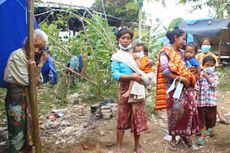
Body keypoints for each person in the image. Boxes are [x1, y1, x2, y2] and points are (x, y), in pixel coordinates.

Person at [4, 29, 48, 153]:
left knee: (29, 130)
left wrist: (38, 66)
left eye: (41, 48)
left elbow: (37, 82)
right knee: (17, 133)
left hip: (27, 98)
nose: (37, 51)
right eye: (35, 46)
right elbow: (30, 82)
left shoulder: (31, 59)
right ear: (28, 42)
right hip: (16, 99)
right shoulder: (18, 55)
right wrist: (39, 66)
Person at [155, 28, 200, 151]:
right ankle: (174, 138)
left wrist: (192, 76)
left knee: (188, 110)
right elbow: (165, 71)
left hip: (186, 88)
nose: (184, 42)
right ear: (175, 38)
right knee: (174, 113)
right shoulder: (165, 52)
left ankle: (186, 135)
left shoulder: (182, 53)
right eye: (183, 39)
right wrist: (182, 79)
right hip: (173, 88)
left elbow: (186, 68)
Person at [111, 28, 147, 153]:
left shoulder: (136, 54)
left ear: (131, 40)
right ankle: (119, 147)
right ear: (118, 40)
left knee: (138, 117)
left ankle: (137, 146)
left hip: (138, 88)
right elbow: (115, 74)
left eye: (128, 38)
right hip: (124, 88)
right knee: (122, 116)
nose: (126, 40)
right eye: (123, 38)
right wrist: (131, 76)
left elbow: (145, 67)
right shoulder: (116, 56)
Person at [195, 37, 229, 124]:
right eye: (204, 44)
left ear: (210, 46)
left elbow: (215, 69)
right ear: (201, 45)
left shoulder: (214, 56)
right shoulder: (197, 56)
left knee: (211, 100)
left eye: (207, 44)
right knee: (199, 100)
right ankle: (199, 121)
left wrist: (210, 77)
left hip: (209, 80)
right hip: (200, 79)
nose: (205, 46)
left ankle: (218, 117)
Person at [195, 56, 219, 145]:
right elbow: (197, 86)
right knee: (201, 120)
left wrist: (207, 77)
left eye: (211, 65)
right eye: (207, 65)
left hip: (211, 103)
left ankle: (209, 129)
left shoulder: (215, 76)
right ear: (203, 65)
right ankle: (201, 135)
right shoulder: (200, 75)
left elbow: (213, 85)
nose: (209, 67)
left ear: (214, 66)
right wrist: (195, 93)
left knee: (211, 119)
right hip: (201, 103)